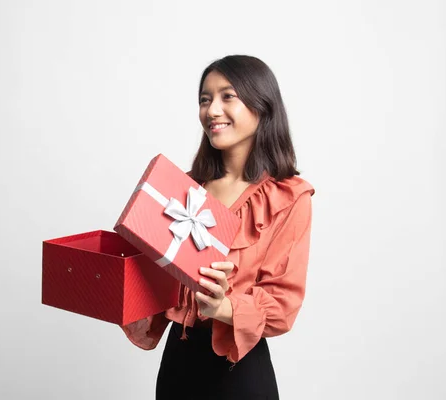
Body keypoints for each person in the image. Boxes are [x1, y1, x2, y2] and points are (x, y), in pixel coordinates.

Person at [121, 55, 315, 399]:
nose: (211, 110)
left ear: (262, 105)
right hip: (178, 366)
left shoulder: (288, 196)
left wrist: (223, 306)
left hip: (239, 371)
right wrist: (122, 280)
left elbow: (283, 305)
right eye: (205, 99)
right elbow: (157, 285)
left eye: (228, 96)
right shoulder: (182, 189)